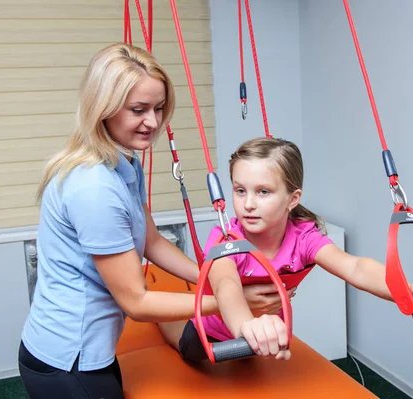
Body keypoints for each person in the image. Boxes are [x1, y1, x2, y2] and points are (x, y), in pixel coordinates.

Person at [17, 43, 290, 399]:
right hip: (67, 360)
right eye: (138, 109)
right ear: (103, 107)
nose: (154, 122)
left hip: (93, 350)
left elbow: (152, 241)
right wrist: (231, 301)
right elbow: (137, 302)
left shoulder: (123, 164)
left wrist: (220, 282)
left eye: (159, 108)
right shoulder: (94, 188)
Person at [159, 137, 413, 363]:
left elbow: (354, 267)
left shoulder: (303, 237)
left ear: (292, 199)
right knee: (173, 336)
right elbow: (225, 286)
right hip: (209, 335)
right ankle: (158, 314)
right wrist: (248, 327)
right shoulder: (226, 238)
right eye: (240, 190)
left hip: (258, 336)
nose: (248, 204)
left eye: (263, 192)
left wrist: (409, 291)